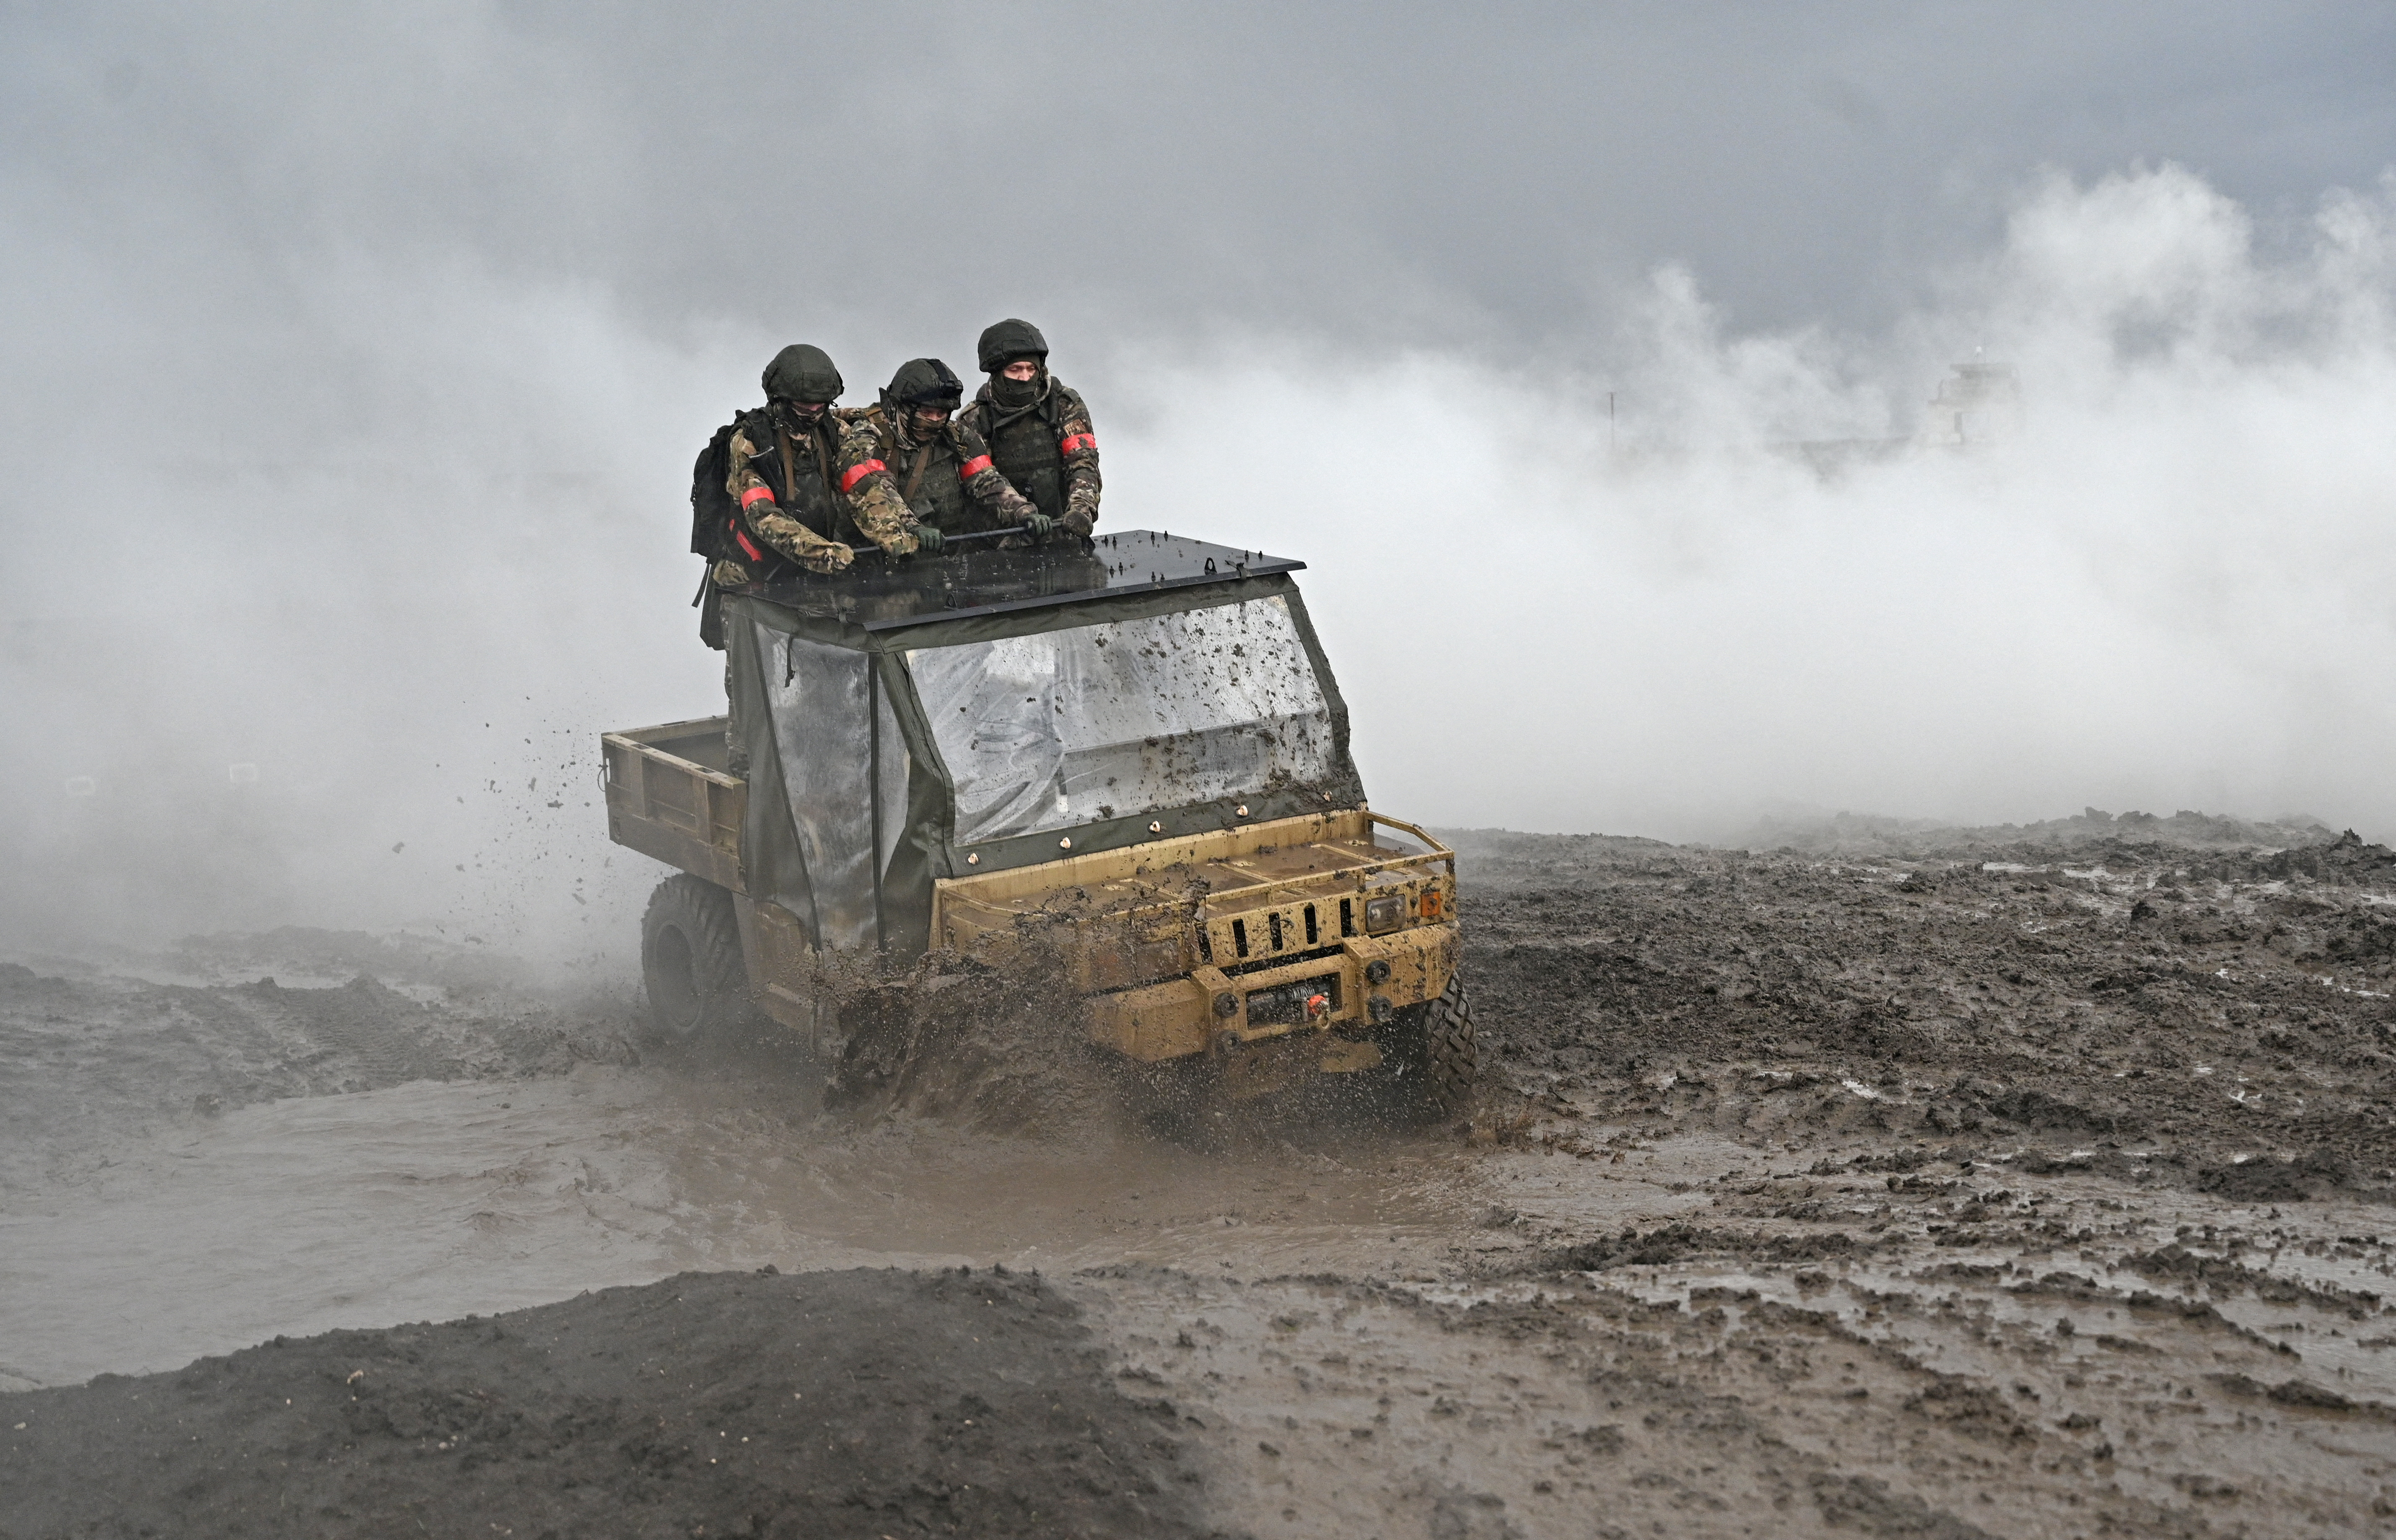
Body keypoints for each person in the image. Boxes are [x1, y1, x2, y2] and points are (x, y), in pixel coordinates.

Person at [708, 344, 926, 594]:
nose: (812, 414)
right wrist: (823, 554)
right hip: (756, 578)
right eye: (803, 406)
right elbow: (763, 516)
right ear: (780, 400)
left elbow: (864, 489)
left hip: (819, 568)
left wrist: (897, 536)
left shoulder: (834, 432)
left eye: (820, 406)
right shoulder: (750, 442)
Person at [853, 358, 1042, 540]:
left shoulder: (957, 436)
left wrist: (1023, 512)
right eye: (926, 413)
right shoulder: (870, 436)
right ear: (901, 407)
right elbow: (877, 491)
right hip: (887, 557)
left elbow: (987, 481)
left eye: (941, 414)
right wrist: (913, 527)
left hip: (951, 550)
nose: (935, 421)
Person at [957, 318, 1100, 539]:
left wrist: (1082, 510)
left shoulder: (1063, 404)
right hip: (999, 540)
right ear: (996, 372)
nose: (1025, 377)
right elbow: (983, 480)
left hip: (1060, 530)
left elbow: (1083, 461)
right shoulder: (975, 418)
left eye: (1031, 369)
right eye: (1015, 370)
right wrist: (1024, 514)